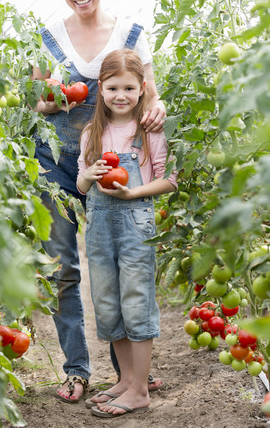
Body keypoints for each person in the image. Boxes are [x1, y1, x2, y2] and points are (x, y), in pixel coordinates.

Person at [33, 0, 166, 403]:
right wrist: (54, 98)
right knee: (64, 269)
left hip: (112, 164)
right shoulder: (49, 34)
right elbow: (39, 102)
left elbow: (151, 92)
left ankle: (128, 376)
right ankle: (75, 369)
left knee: (116, 262)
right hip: (59, 164)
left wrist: (158, 106)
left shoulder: (130, 32)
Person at [76, 49, 177, 417]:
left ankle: (139, 390)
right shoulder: (93, 131)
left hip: (136, 223)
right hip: (100, 226)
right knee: (107, 303)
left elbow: (170, 180)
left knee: (135, 300)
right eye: (113, 88)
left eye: (129, 89)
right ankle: (125, 380)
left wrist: (132, 191)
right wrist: (90, 174)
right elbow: (82, 182)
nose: (121, 96)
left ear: (142, 89)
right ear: (101, 89)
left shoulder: (151, 131)